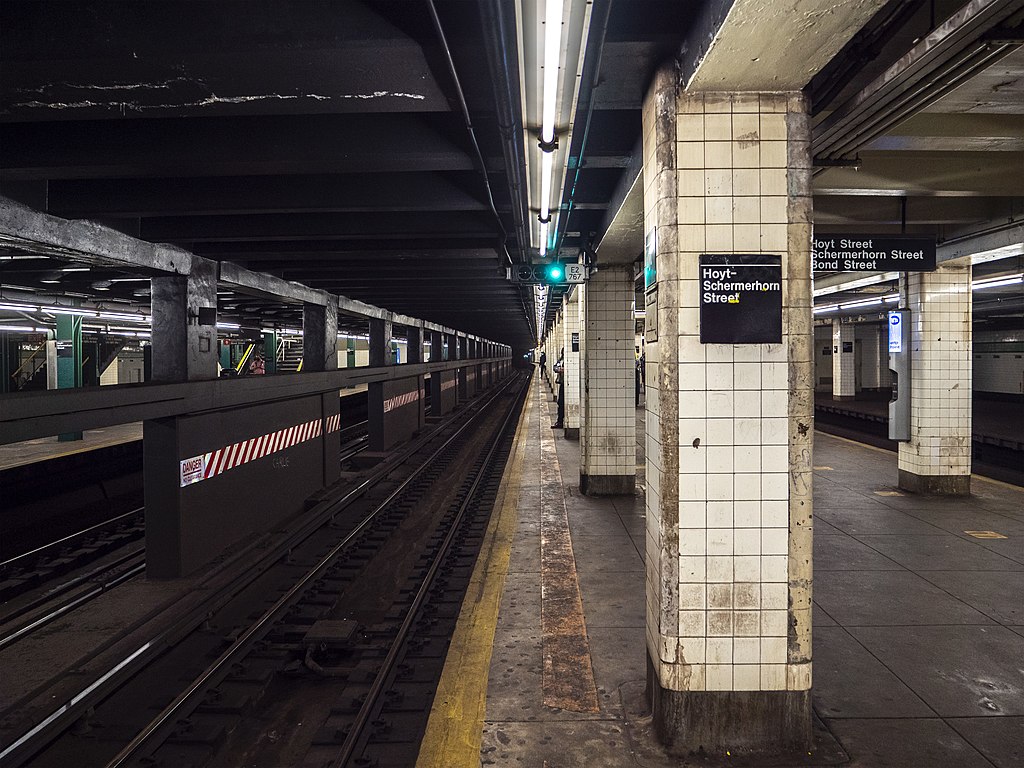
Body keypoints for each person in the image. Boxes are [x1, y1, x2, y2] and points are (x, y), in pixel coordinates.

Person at [552, 350, 565, 428]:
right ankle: (560, 421)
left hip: (569, 384)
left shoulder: (571, 358)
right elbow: (555, 367)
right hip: (562, 383)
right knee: (560, 403)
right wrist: (559, 369)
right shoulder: (561, 359)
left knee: (562, 403)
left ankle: (560, 421)